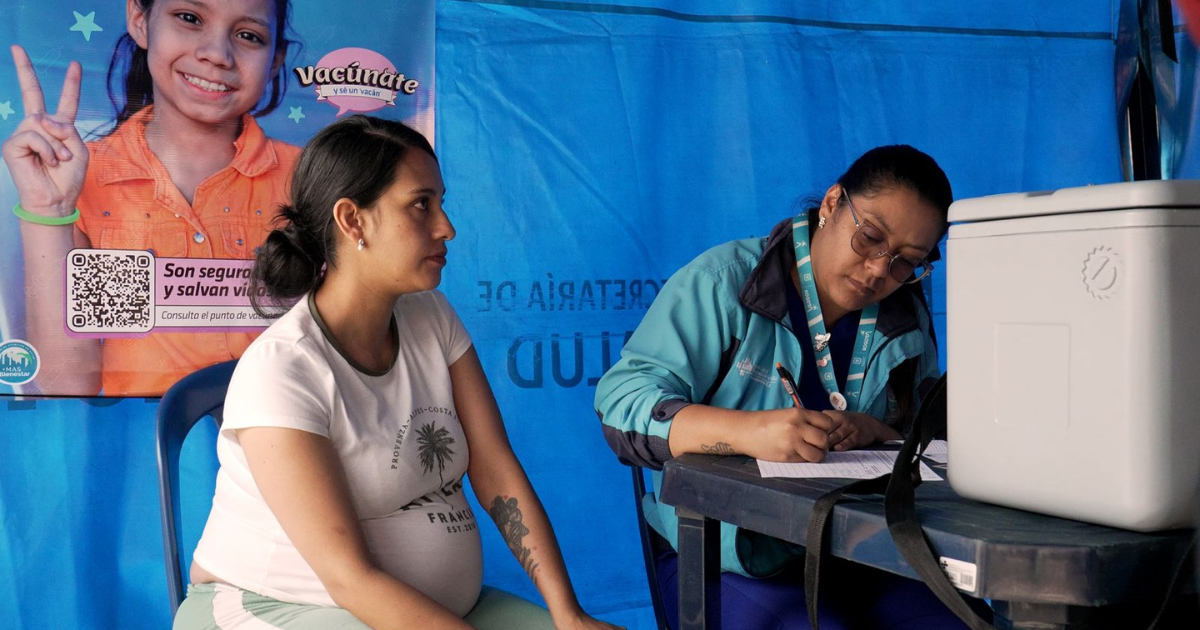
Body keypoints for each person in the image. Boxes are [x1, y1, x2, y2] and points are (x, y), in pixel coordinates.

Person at [174, 114, 623, 630]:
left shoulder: (431, 316)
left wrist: (568, 615)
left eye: (441, 202)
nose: (446, 227)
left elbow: (495, 468)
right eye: (420, 205)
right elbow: (349, 579)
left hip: (435, 608)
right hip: (277, 608)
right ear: (353, 220)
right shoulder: (283, 370)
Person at [595, 145, 989, 629]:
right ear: (831, 203)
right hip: (729, 557)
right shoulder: (726, 284)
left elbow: (932, 442)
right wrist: (747, 433)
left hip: (869, 554)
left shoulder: (905, 318)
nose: (879, 271)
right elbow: (621, 406)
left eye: (909, 261)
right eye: (870, 238)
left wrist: (879, 431)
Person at [1, 0, 299, 396]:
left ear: (275, 60)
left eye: (248, 35)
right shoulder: (88, 181)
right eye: (190, 18)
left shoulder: (310, 181)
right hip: (142, 449)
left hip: (281, 449)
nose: (216, 54)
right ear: (140, 21)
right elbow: (70, 381)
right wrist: (48, 211)